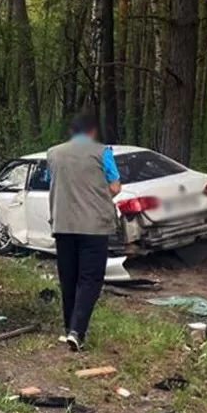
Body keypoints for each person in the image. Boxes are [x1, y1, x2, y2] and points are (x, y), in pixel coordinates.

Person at [45, 110, 121, 352]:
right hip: (93, 226)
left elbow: (52, 180)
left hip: (63, 224)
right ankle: (78, 331)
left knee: (69, 278)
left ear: (72, 131)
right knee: (89, 279)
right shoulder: (102, 152)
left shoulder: (53, 154)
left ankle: (69, 328)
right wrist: (97, 195)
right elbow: (116, 186)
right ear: (92, 132)